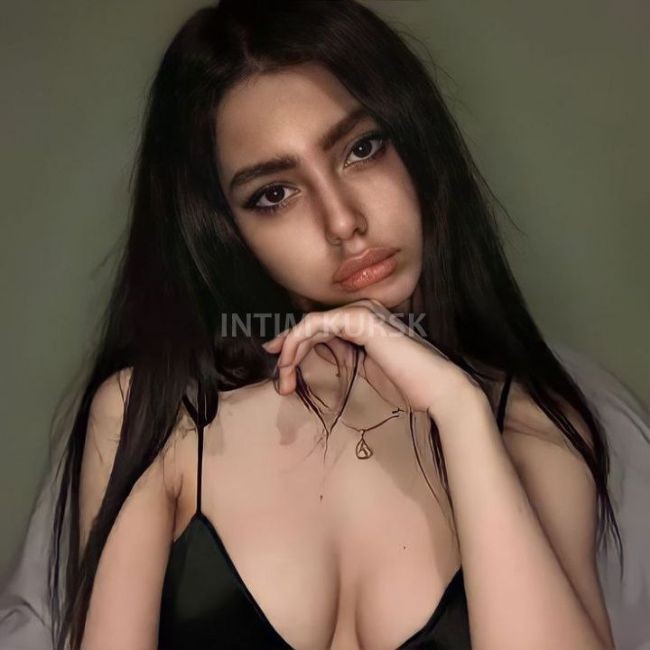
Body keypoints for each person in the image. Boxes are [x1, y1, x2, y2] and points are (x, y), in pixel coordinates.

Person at [42, 1, 622, 648]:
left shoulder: (534, 431)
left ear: (417, 142)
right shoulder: (156, 417)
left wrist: (461, 415)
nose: (343, 221)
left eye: (361, 150)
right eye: (275, 193)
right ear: (225, 230)